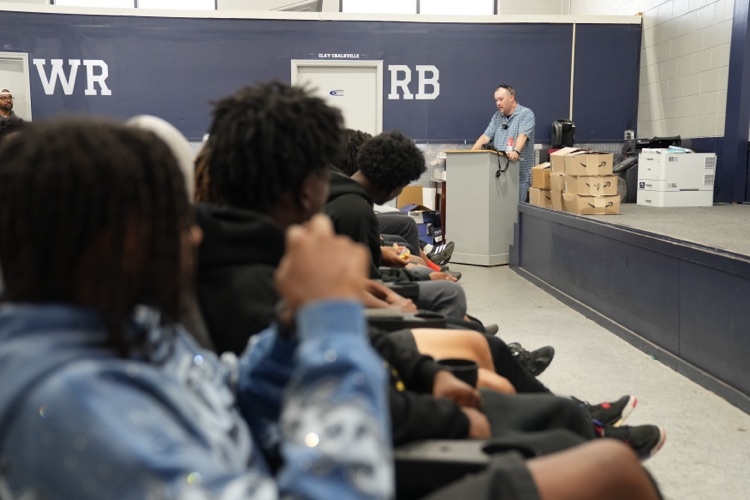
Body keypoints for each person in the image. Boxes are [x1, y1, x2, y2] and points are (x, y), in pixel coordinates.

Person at [0, 118, 393, 499]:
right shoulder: (73, 404)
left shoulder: (131, 324)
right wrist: (332, 331)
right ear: (107, 242)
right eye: (172, 220)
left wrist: (291, 329)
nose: (195, 234)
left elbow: (224, 397)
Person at [471, 84, 535, 202]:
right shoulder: (497, 116)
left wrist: (516, 151)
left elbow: (523, 135)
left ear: (511, 98)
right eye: (496, 100)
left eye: (501, 99)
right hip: (499, 174)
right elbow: (485, 137)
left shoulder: (526, 114)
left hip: (518, 177)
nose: (498, 103)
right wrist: (469, 155)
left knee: (515, 214)